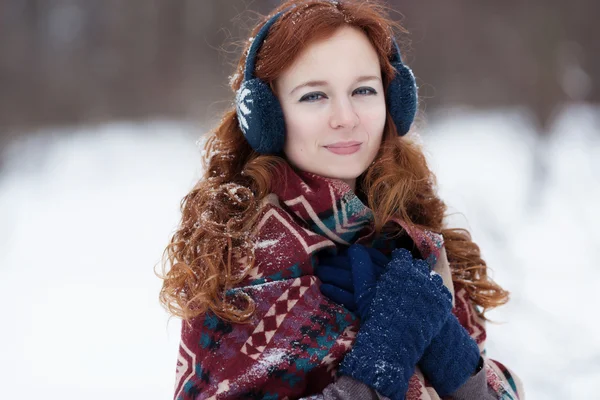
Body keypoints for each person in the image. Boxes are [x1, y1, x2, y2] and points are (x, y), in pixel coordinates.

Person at [159, 1, 524, 399]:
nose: (346, 117)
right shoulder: (239, 260)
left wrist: (453, 356)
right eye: (314, 96)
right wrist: (372, 373)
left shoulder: (418, 237)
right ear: (267, 116)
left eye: (363, 90)